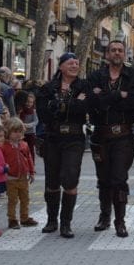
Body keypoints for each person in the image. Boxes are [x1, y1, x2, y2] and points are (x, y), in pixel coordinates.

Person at [87, 40, 134, 238]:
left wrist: (106, 96)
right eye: (113, 50)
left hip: (124, 137)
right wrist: (119, 95)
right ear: (107, 54)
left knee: (119, 179)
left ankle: (120, 221)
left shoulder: (133, 75)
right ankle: (104, 217)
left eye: (120, 50)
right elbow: (93, 102)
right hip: (101, 135)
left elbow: (133, 102)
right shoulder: (95, 76)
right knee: (103, 180)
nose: (117, 53)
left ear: (125, 53)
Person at [37, 52, 90, 238]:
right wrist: (73, 103)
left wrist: (61, 105)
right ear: (61, 66)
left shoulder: (84, 86)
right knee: (52, 180)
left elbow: (85, 108)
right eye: (70, 63)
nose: (74, 66)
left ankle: (66, 223)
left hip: (74, 138)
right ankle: (52, 220)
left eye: (77, 63)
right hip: (53, 137)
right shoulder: (48, 87)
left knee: (70, 178)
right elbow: (43, 113)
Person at [1, 118, 36, 229]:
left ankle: (24, 218)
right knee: (12, 200)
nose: (18, 134)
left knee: (25, 198)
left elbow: (29, 158)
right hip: (10, 177)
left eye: (20, 131)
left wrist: (31, 172)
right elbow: (1, 161)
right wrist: (3, 173)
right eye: (15, 132)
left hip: (23, 177)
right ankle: (12, 219)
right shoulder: (4, 146)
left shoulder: (24, 145)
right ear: (8, 132)